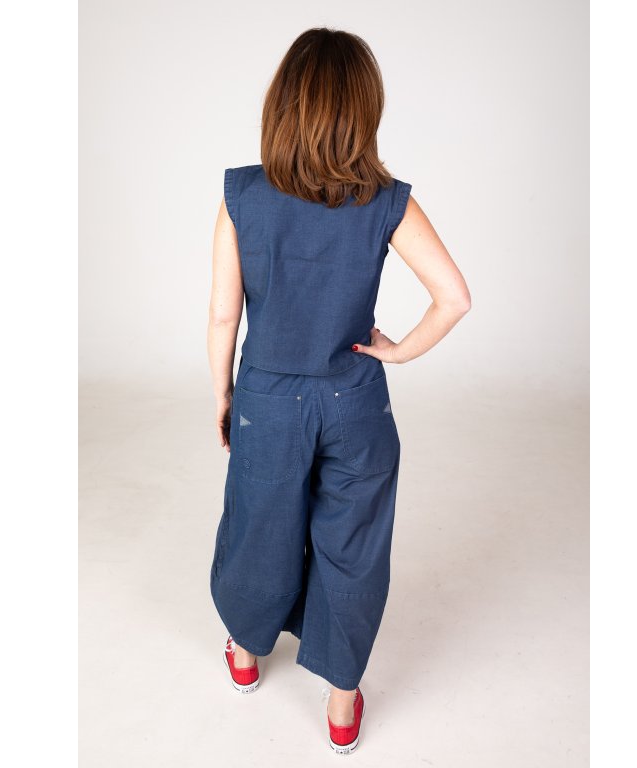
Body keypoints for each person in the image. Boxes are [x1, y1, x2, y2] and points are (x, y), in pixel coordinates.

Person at [206, 27, 471, 755]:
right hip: (355, 402)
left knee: (260, 529)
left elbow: (225, 314)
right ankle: (343, 701)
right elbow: (453, 297)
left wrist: (224, 395)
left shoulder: (242, 194)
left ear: (282, 104)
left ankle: (245, 651)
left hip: (267, 401)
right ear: (364, 109)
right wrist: (396, 352)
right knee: (352, 546)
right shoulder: (387, 201)